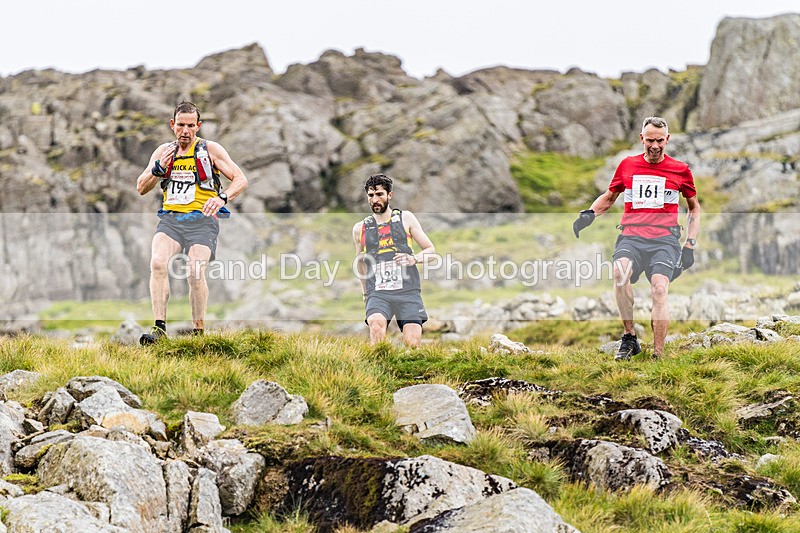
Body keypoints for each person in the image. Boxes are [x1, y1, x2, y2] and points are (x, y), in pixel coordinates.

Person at [573, 116, 700, 360]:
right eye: (650, 140)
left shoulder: (680, 170)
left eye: (660, 141)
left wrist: (690, 244)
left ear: (667, 140)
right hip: (631, 236)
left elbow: (693, 208)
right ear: (641, 139)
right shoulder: (627, 165)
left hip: (664, 240)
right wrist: (589, 214)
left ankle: (658, 354)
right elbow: (609, 198)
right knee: (620, 274)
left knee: (659, 289)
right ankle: (630, 338)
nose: (655, 146)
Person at [136, 101, 248, 344]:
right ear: (172, 125)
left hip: (202, 222)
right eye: (180, 125)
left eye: (190, 126)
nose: (184, 131)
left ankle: (198, 332)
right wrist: (158, 169)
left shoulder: (211, 150)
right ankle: (159, 329)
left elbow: (240, 179)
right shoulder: (163, 152)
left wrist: (222, 198)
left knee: (195, 271)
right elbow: (141, 187)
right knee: (157, 262)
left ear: (198, 126)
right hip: (171, 221)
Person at [352, 174, 435, 347]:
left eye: (379, 194)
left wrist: (413, 259)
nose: (375, 199)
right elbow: (360, 262)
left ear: (390, 195)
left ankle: (411, 371)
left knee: (412, 343)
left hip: (408, 291)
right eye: (370, 195)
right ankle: (377, 368)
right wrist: (365, 292)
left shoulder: (407, 219)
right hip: (378, 292)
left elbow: (430, 251)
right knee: (376, 324)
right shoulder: (360, 228)